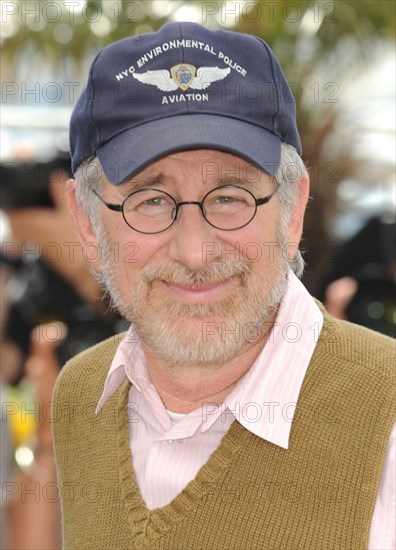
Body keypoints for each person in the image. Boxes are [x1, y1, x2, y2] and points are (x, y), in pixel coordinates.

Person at [53, 22, 395, 549]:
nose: (195, 251)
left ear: (293, 210)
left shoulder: (386, 418)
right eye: (149, 200)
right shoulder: (80, 398)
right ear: (87, 225)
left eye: (231, 196)